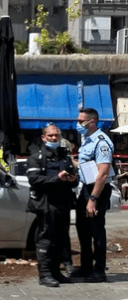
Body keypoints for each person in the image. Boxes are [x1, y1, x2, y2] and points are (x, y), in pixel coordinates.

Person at [26, 123, 78, 287]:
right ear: (43, 137)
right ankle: (45, 274)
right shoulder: (36, 157)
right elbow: (34, 180)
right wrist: (57, 178)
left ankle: (56, 272)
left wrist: (72, 179)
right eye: (50, 136)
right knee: (45, 239)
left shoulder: (64, 155)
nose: (54, 138)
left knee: (61, 239)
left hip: (63, 203)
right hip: (46, 204)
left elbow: (72, 177)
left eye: (56, 135)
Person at [72, 108, 114, 282]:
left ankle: (99, 270)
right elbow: (86, 166)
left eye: (82, 121)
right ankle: (86, 266)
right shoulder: (87, 140)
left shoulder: (102, 142)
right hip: (85, 188)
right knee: (82, 229)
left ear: (92, 121)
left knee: (97, 231)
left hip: (98, 191)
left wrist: (93, 199)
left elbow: (102, 174)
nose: (78, 124)